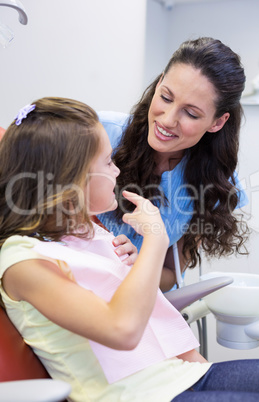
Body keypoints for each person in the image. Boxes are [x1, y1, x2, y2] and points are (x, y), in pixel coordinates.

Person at [0, 98, 259, 402]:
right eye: (108, 162)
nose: (116, 172)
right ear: (71, 180)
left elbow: (145, 316)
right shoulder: (23, 260)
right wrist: (154, 239)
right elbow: (122, 330)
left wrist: (135, 265)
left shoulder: (86, 234)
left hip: (185, 377)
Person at [97, 37, 250, 292]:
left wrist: (140, 263)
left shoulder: (216, 182)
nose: (167, 120)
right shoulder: (100, 133)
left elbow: (171, 275)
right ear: (158, 84)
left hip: (135, 302)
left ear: (217, 122)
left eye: (190, 113)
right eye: (166, 97)